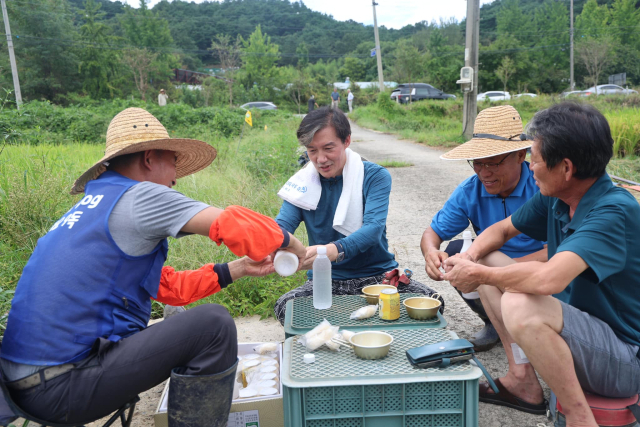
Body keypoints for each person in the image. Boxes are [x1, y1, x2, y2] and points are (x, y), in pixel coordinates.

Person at [0, 107, 306, 426]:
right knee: (213, 326)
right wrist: (293, 245)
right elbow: (231, 224)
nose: (175, 178)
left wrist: (239, 268)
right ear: (148, 159)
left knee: (202, 324)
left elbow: (167, 286)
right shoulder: (137, 197)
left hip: (23, 385)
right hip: (60, 385)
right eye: (173, 162)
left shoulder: (90, 210)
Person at [443, 102, 640, 424]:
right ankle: (522, 380)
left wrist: (479, 274)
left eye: (534, 160)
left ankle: (579, 417)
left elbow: (550, 279)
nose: (530, 169)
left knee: (521, 302)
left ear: (566, 168)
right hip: (584, 338)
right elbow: (502, 230)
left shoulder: (613, 211)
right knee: (490, 257)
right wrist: (469, 258)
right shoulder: (557, 196)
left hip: (625, 361)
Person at [274, 107, 442, 324]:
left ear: (347, 141)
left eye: (328, 148)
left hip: (377, 277)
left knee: (431, 302)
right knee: (285, 308)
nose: (320, 159)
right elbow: (281, 227)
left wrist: (330, 251)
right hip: (326, 280)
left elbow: (373, 229)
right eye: (312, 150)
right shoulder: (302, 184)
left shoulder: (375, 176)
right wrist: (273, 244)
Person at [420, 105, 546, 352]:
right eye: (477, 163)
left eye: (493, 164)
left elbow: (560, 252)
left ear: (521, 155)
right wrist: (430, 253)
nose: (483, 173)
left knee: (481, 261)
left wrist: (506, 272)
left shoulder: (543, 187)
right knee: (457, 251)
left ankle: (528, 331)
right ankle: (495, 323)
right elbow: (432, 233)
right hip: (492, 269)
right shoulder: (471, 190)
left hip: (539, 272)